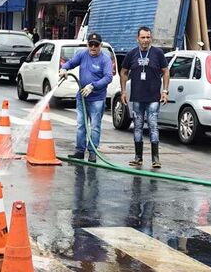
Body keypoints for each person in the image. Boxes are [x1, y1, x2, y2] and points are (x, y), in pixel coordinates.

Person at [59, 32, 113, 163]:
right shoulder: (83, 54)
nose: (93, 47)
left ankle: (92, 152)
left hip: (97, 98)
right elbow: (71, 63)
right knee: (81, 125)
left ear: (100, 45)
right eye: (91, 44)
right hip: (82, 97)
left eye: (96, 45)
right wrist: (64, 69)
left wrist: (93, 86)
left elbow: (108, 77)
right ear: (87, 44)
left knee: (95, 126)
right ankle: (79, 151)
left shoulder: (105, 59)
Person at [120, 26, 169, 168]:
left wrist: (165, 91)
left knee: (153, 126)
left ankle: (155, 159)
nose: (146, 40)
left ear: (151, 38)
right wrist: (123, 91)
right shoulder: (132, 54)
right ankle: (138, 157)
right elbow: (123, 72)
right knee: (138, 127)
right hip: (137, 97)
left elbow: (166, 72)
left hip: (153, 97)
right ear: (137, 39)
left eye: (148, 37)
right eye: (143, 37)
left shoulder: (158, 53)